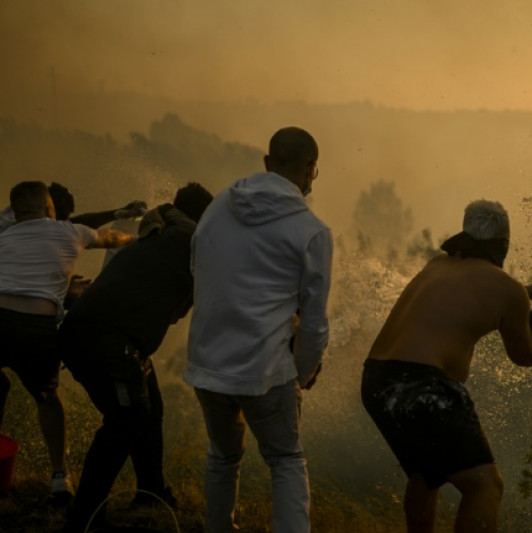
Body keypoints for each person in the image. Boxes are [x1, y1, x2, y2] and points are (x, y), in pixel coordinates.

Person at [361, 199, 532, 533]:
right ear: (505, 244)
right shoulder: (505, 290)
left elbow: (474, 297)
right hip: (422, 387)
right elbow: (524, 354)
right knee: (485, 487)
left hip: (377, 381)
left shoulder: (438, 265)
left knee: (427, 475)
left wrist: (528, 291)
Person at [186, 127, 332, 533]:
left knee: (222, 455)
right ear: (310, 170)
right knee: (285, 460)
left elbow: (198, 268)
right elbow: (316, 323)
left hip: (207, 361)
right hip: (266, 369)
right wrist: (302, 373)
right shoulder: (311, 230)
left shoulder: (219, 205)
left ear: (267, 162)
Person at [58, 183, 214, 533]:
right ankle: (85, 518)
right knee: (128, 417)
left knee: (150, 404)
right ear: (205, 219)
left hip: (97, 333)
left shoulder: (166, 228)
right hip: (106, 338)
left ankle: (150, 491)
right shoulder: (191, 239)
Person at [0, 181, 132, 505]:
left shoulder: (4, 234)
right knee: (47, 401)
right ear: (50, 209)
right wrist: (140, 236)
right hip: (36, 329)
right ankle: (59, 476)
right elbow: (111, 237)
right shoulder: (69, 232)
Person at [0, 181, 147, 234]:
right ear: (47, 210)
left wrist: (118, 213)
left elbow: (76, 223)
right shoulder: (20, 230)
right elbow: (74, 225)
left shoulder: (21, 208)